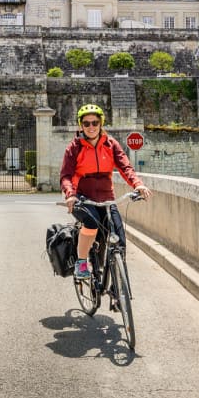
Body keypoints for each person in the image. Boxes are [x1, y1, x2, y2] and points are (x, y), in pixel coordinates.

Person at [59, 103, 151, 279]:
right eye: (86, 123)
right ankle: (81, 262)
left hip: (107, 199)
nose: (91, 127)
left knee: (120, 238)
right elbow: (66, 176)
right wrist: (70, 195)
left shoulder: (110, 144)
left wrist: (137, 184)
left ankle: (118, 288)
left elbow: (125, 167)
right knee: (92, 223)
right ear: (81, 125)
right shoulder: (74, 148)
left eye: (95, 122)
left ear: (101, 123)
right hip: (82, 198)